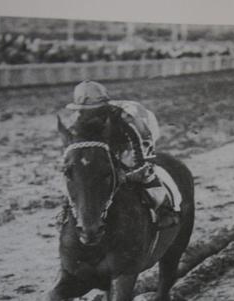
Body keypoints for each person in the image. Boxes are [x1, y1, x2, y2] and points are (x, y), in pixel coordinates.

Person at [65, 80, 180, 229]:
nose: (89, 115)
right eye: (83, 110)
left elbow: (143, 157)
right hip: (109, 141)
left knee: (144, 174)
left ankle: (164, 209)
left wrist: (126, 175)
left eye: (95, 109)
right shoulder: (76, 120)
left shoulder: (126, 119)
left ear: (105, 107)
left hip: (140, 135)